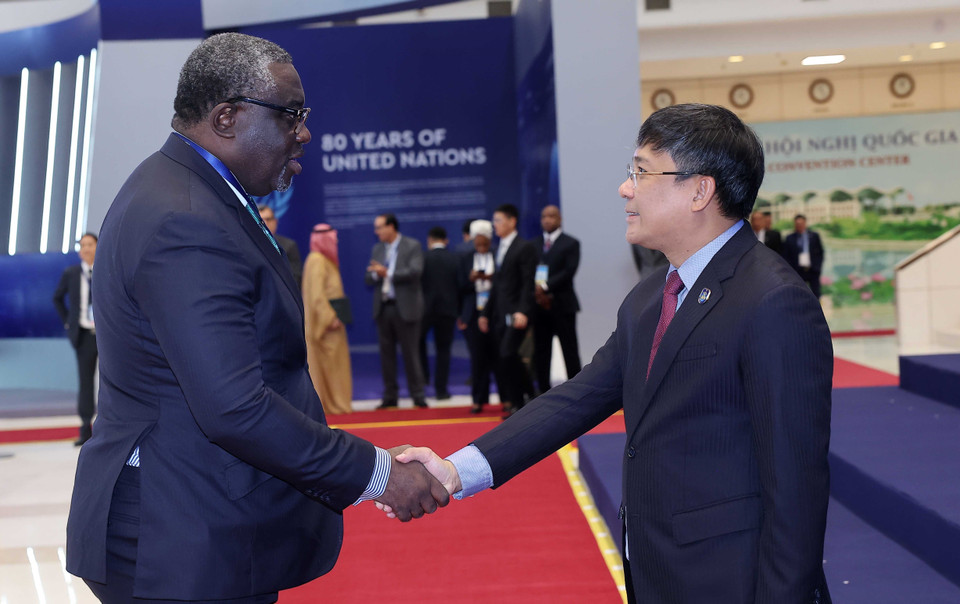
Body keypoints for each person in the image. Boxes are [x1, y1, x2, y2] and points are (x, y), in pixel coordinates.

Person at [392, 104, 834, 604]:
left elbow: (796, 488)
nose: (626, 188)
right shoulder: (649, 299)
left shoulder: (773, 301)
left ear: (699, 191)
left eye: (641, 172)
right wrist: (454, 470)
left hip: (732, 580)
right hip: (657, 574)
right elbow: (573, 401)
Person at [65, 33, 447, 603]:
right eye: (291, 115)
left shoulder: (190, 191)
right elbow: (234, 408)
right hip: (179, 541)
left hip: (194, 525)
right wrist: (379, 474)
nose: (304, 133)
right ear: (226, 118)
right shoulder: (185, 218)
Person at [480, 204, 537, 417]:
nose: (494, 225)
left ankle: (520, 402)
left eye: (498, 220)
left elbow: (527, 283)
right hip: (500, 313)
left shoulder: (524, 247)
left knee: (507, 353)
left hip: (517, 312)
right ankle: (527, 397)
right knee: (506, 355)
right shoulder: (499, 248)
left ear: (512, 221)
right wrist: (485, 313)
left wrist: (523, 311)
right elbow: (496, 285)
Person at [365, 213, 428, 408]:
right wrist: (376, 275)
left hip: (406, 307)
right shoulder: (377, 248)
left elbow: (415, 271)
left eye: (380, 227)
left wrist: (387, 273)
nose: (377, 232)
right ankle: (390, 396)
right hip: (384, 308)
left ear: (391, 227)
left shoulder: (412, 245)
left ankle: (418, 395)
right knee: (387, 355)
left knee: (411, 353)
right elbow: (368, 278)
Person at [53, 232, 99, 446]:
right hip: (83, 335)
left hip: (107, 335)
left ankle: (111, 427)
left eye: (90, 244)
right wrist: (68, 323)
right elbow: (57, 298)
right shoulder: (71, 273)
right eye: (83, 245)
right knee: (86, 383)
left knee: (113, 382)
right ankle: (85, 429)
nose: (86, 249)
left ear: (98, 247)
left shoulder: (105, 271)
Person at [531, 204, 582, 393]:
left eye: (551, 216)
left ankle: (576, 390)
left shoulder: (570, 243)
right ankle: (542, 391)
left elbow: (569, 271)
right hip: (539, 306)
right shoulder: (533, 244)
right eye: (544, 216)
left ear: (559, 219)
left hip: (562, 304)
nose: (547, 220)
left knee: (569, 349)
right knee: (541, 351)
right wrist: (536, 291)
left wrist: (544, 286)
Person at [303, 223, 352, 414]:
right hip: (327, 327)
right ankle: (335, 407)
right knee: (332, 370)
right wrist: (330, 318)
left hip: (332, 325)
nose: (336, 242)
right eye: (333, 238)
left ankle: (337, 406)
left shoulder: (323, 260)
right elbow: (316, 296)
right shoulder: (317, 260)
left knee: (336, 368)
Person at [458, 220, 502, 413]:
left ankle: (506, 399)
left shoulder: (498, 255)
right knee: (478, 358)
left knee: (500, 357)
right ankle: (478, 400)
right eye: (478, 243)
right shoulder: (466, 258)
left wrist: (492, 279)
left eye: (485, 243)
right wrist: (472, 279)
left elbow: (505, 283)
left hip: (496, 312)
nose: (481, 247)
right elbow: (459, 286)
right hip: (473, 313)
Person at [419, 226, 461, 400]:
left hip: (424, 311)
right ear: (446, 241)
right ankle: (441, 390)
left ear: (429, 240)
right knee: (444, 350)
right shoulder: (454, 259)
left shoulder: (423, 257)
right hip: (448, 311)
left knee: (417, 344)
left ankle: (423, 379)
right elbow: (460, 286)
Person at [258, 203, 302, 287]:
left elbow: (295, 277)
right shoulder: (248, 244)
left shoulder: (289, 246)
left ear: (275, 222)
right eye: (261, 220)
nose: (265, 223)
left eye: (268, 219)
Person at [783, 214, 825, 298]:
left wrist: (818, 267)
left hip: (812, 270)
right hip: (797, 271)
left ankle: (816, 310)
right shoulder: (789, 238)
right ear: (794, 224)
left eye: (801, 223)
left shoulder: (814, 236)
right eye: (797, 224)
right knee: (798, 294)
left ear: (805, 223)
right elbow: (786, 255)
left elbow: (820, 252)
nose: (799, 225)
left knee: (816, 294)